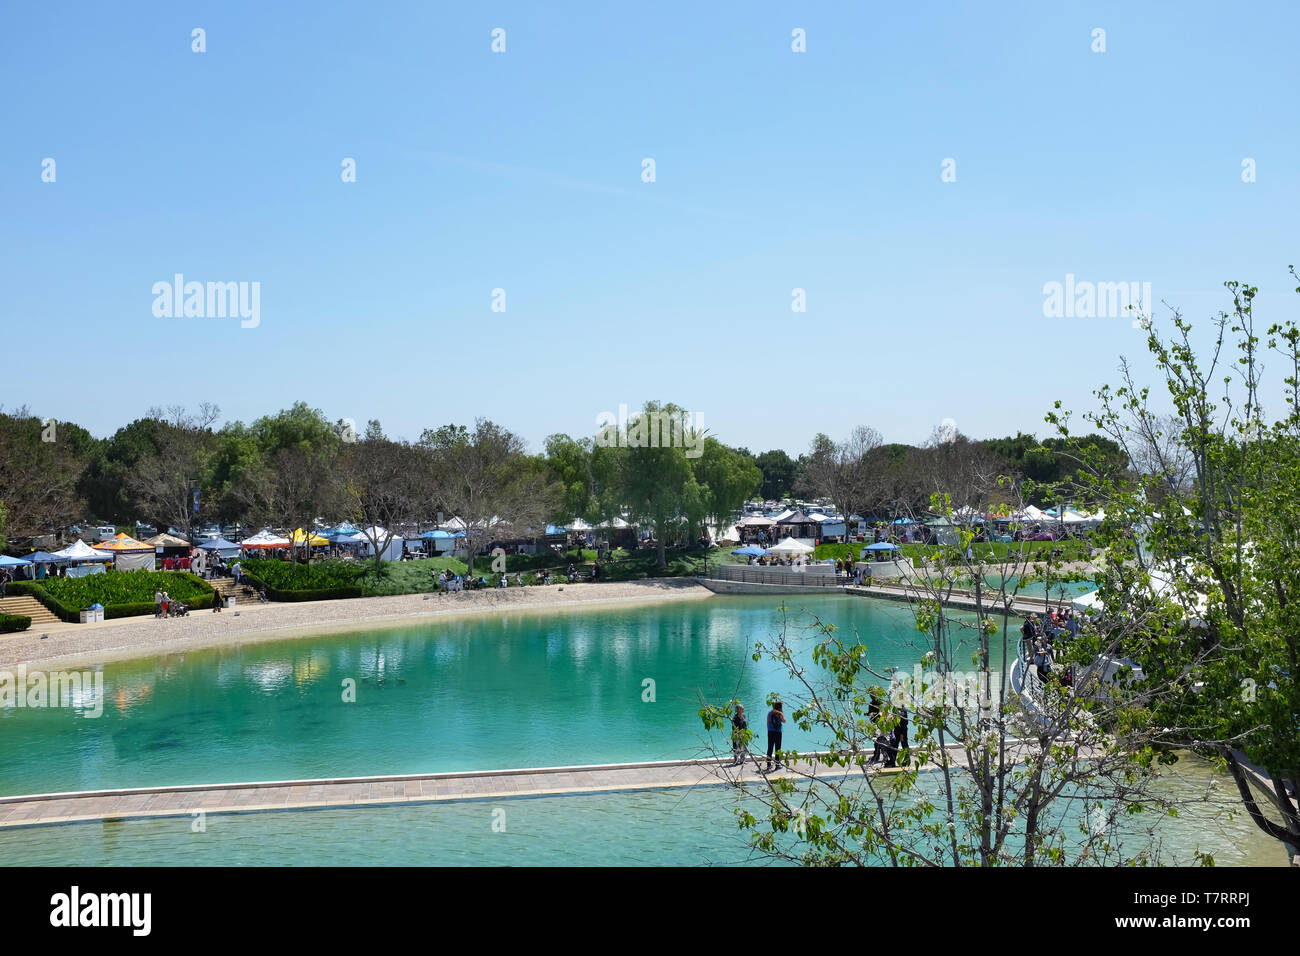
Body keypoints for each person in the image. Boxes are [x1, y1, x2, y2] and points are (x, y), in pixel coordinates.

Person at [763, 701, 786, 772]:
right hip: (778, 732)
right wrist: (782, 713)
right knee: (778, 748)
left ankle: (768, 765)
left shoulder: (769, 713)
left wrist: (769, 730)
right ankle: (777, 764)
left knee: (770, 748)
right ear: (780, 707)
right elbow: (784, 721)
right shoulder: (780, 713)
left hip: (770, 732)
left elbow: (767, 722)